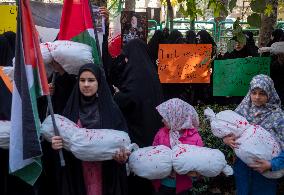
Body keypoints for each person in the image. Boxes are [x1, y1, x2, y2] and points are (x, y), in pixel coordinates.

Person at [50, 63, 129, 195]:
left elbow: (123, 142)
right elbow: (62, 145)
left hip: (106, 175)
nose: (86, 84)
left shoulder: (112, 111)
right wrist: (56, 144)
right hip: (78, 175)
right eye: (82, 80)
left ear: (99, 82)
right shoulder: (70, 110)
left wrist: (122, 156)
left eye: (91, 80)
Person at [113, 38, 163, 195]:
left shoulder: (135, 75)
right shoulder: (152, 73)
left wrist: (118, 95)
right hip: (153, 132)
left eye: (126, 55)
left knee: (138, 176)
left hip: (138, 134)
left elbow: (130, 99)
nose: (125, 59)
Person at [223, 74, 284, 195]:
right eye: (254, 92)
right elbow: (227, 131)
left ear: (270, 93)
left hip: (265, 173)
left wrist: (272, 164)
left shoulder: (278, 117)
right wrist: (226, 139)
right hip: (242, 169)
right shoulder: (241, 112)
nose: (257, 97)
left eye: (262, 93)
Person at [152, 98, 204, 195]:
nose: (162, 120)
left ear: (177, 117)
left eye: (166, 117)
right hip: (164, 183)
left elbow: (200, 161)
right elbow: (153, 153)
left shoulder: (194, 137)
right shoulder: (161, 134)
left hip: (183, 184)